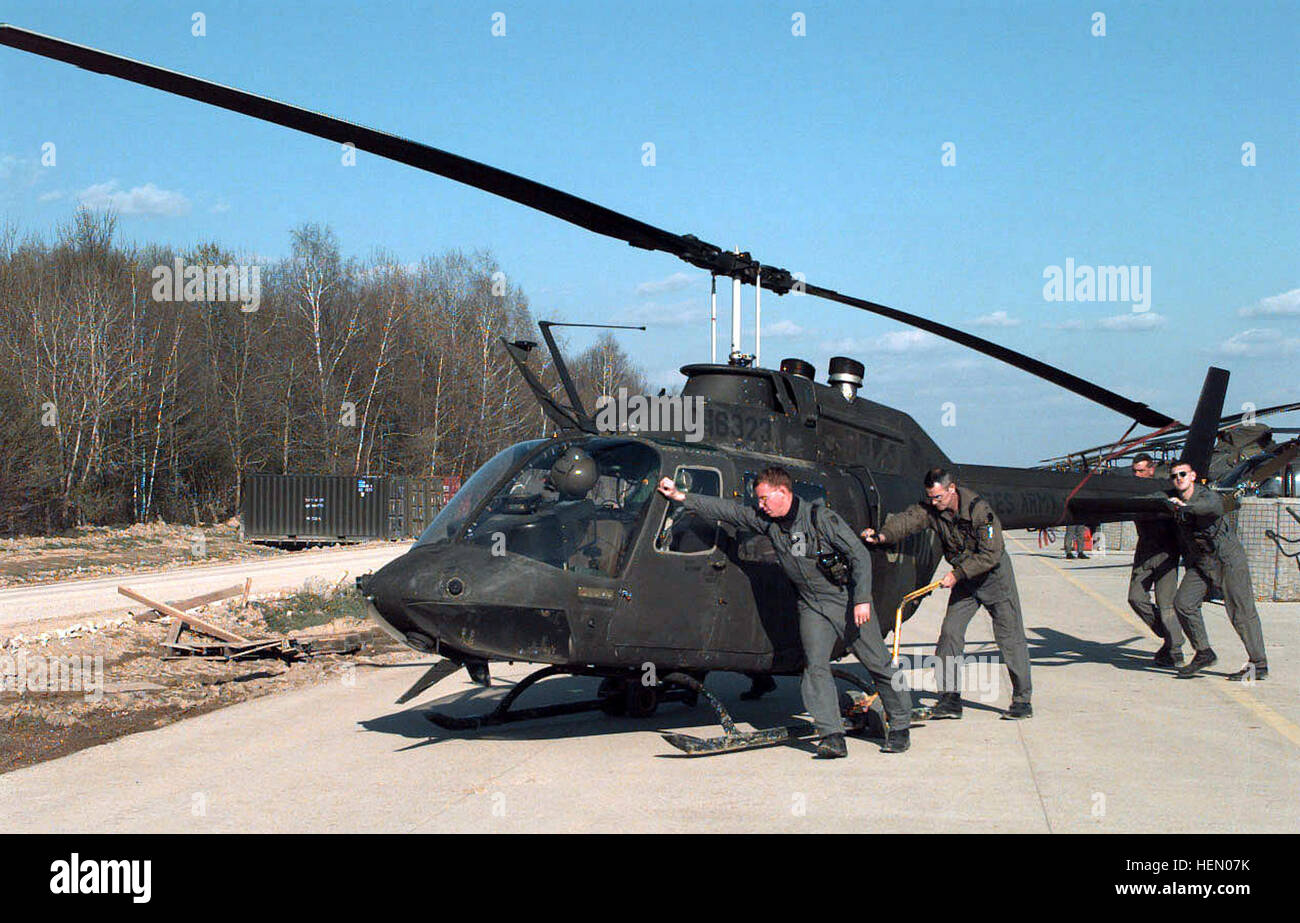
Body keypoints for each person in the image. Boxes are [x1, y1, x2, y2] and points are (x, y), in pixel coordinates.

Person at [657, 466, 911, 757]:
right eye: (759, 500)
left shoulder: (821, 518)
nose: (760, 505)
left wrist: (863, 598)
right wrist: (680, 496)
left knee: (878, 662)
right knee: (815, 666)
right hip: (811, 605)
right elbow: (727, 510)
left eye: (764, 498)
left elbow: (860, 555)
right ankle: (832, 736)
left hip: (846, 601)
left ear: (783, 493)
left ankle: (901, 725)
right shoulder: (768, 521)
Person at [863, 466, 1033, 719]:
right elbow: (908, 520)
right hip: (965, 581)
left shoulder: (980, 512)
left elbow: (991, 554)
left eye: (938, 497)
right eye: (930, 497)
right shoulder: (933, 509)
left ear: (951, 489)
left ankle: (1022, 700)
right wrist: (882, 535)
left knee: (1010, 639)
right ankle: (949, 699)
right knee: (950, 635)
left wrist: (957, 574)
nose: (934, 502)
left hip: (993, 579)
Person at [1162, 459, 1269, 680]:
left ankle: (1258, 664)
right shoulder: (1172, 498)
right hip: (1202, 562)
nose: (1178, 479)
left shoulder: (1204, 496)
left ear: (1192, 476)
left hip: (1227, 559)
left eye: (1183, 474)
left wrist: (1186, 508)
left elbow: (1215, 506)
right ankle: (1204, 652)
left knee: (1240, 611)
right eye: (1174, 476)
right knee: (1183, 603)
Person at [1128, 453, 1185, 667]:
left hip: (1166, 552)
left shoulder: (1166, 490)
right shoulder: (1132, 491)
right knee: (1135, 597)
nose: (1137, 475)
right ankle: (1168, 634)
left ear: (1152, 469)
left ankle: (1175, 648)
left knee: (1166, 602)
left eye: (1141, 470)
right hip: (1144, 550)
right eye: (1134, 471)